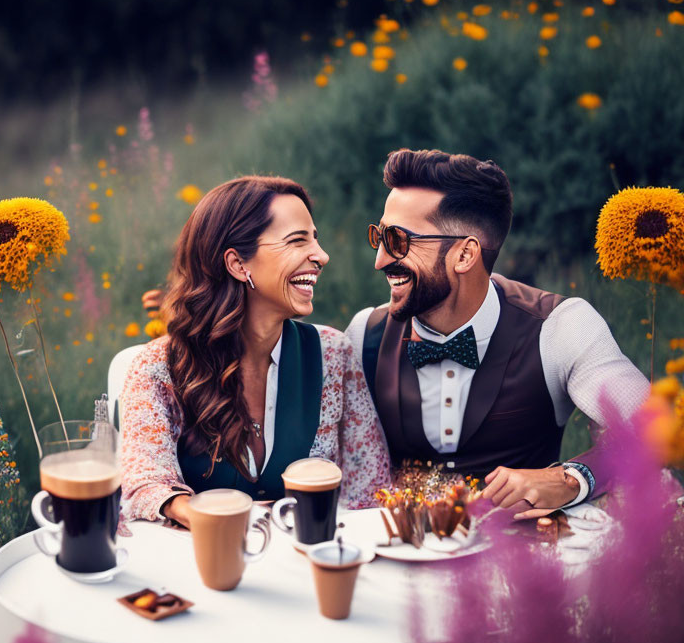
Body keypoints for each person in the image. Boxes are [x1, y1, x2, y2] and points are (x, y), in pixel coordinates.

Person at [346, 149, 650, 521]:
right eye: (379, 236)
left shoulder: (560, 326)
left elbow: (651, 430)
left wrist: (571, 480)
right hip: (395, 560)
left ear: (465, 255)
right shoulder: (364, 334)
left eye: (398, 241)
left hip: (520, 565)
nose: (380, 259)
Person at [119, 176, 391, 528]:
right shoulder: (159, 367)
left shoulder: (332, 353)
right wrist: (208, 515)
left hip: (304, 565)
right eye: (297, 241)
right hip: (201, 569)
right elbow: (145, 483)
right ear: (237, 264)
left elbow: (372, 490)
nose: (321, 256)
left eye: (316, 239)